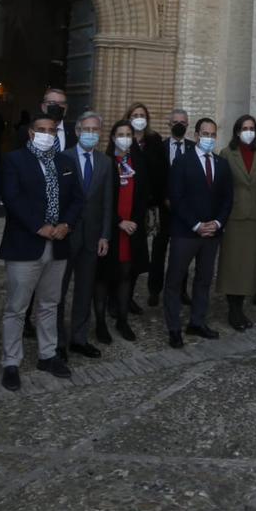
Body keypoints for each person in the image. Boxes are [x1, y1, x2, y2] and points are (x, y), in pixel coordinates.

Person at [0, 112, 83, 391]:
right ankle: (11, 361)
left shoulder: (66, 162)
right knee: (16, 307)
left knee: (49, 304)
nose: (47, 133)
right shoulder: (14, 160)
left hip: (58, 244)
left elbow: (77, 199)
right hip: (26, 244)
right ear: (32, 133)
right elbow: (13, 198)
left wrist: (66, 224)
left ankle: (48, 354)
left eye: (52, 129)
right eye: (41, 129)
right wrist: (39, 226)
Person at [164, 117, 234, 347]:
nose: (209, 138)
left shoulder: (222, 164)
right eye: (205, 134)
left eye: (213, 135)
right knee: (175, 280)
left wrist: (217, 223)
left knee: (204, 280)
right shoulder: (182, 162)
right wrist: (196, 224)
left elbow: (227, 198)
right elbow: (177, 197)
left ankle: (197, 321)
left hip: (212, 233)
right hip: (186, 232)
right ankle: (174, 328)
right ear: (196, 136)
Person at [58, 111, 115, 361]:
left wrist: (105, 235)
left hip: (92, 237)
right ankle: (57, 342)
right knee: (57, 291)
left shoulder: (105, 162)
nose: (91, 134)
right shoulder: (63, 158)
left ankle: (79, 338)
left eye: (96, 130)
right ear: (78, 131)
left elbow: (107, 202)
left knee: (84, 289)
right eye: (87, 129)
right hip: (66, 235)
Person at [218, 115, 256, 331]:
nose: (248, 131)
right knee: (232, 263)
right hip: (233, 214)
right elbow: (222, 187)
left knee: (248, 264)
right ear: (237, 131)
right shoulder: (227, 153)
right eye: (244, 128)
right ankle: (232, 308)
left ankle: (240, 305)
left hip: (254, 215)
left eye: (252, 128)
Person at [98, 119, 148, 343]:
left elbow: (142, 196)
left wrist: (135, 221)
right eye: (121, 134)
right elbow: (99, 201)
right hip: (110, 229)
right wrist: (118, 222)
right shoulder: (105, 162)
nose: (125, 138)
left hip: (131, 229)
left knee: (127, 274)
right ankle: (100, 322)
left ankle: (123, 319)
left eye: (129, 134)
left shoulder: (136, 162)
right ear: (112, 137)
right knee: (102, 277)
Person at [148, 108, 193, 306]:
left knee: (183, 252)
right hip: (163, 210)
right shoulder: (159, 147)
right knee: (158, 252)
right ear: (168, 124)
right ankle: (154, 291)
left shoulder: (194, 148)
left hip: (186, 212)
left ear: (188, 125)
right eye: (175, 122)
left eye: (182, 122)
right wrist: (163, 198)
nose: (179, 125)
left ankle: (181, 290)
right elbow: (154, 177)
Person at [125, 102, 166, 314]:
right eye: (135, 114)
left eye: (142, 115)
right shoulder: (123, 138)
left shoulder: (154, 140)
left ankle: (129, 296)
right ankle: (118, 297)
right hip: (125, 206)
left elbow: (161, 170)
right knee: (123, 254)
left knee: (138, 254)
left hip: (147, 205)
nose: (139, 118)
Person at [37, 86, 76, 151]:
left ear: (66, 108)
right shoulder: (30, 131)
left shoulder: (74, 132)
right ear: (43, 106)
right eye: (52, 103)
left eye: (61, 103)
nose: (57, 106)